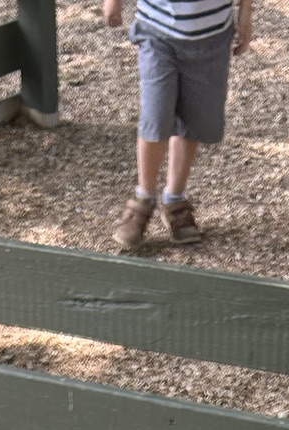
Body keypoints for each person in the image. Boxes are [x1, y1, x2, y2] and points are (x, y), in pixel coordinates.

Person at [102, 0, 252, 253]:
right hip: (157, 31)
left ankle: (174, 200)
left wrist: (246, 13)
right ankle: (143, 199)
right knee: (156, 116)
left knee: (193, 118)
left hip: (212, 36)